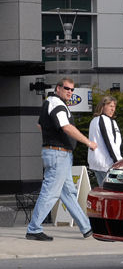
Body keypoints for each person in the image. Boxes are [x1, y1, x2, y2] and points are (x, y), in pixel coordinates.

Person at [26, 77, 97, 241]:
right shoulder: (57, 104)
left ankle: (87, 228)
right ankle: (34, 229)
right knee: (50, 192)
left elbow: (40, 125)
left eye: (72, 89)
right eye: (66, 88)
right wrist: (88, 142)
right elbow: (66, 127)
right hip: (58, 154)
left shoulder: (50, 103)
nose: (70, 92)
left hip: (58, 154)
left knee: (68, 194)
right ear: (58, 88)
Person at [88, 96, 121, 187]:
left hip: (97, 162)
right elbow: (109, 142)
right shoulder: (104, 120)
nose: (113, 109)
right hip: (106, 163)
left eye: (114, 106)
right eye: (110, 106)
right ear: (103, 106)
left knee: (103, 191)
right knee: (111, 192)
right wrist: (118, 162)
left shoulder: (95, 120)